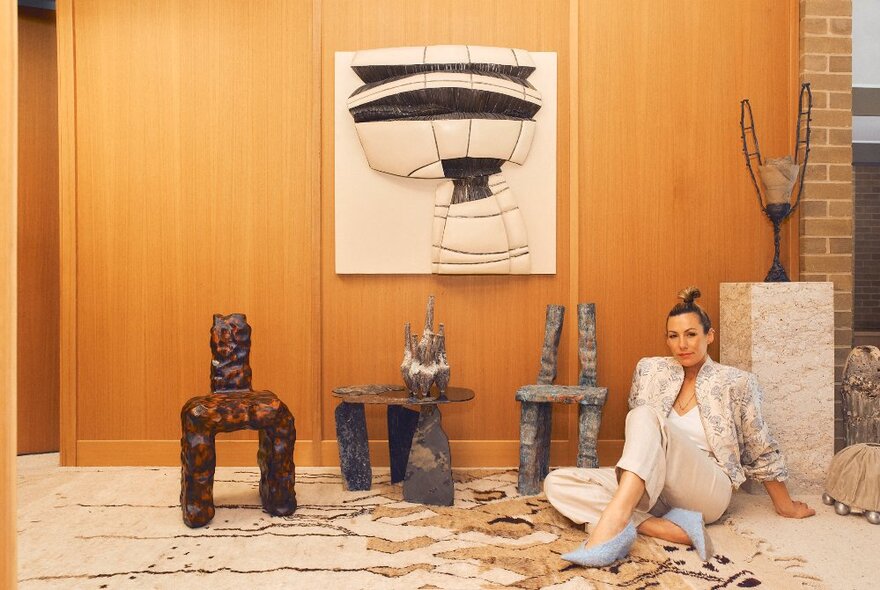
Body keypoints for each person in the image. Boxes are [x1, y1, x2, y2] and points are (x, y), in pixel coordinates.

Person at [543, 287, 815, 567]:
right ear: (667, 341)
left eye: (691, 334)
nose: (682, 344)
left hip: (709, 488)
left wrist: (785, 505)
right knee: (558, 483)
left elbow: (760, 446)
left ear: (709, 336)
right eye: (674, 336)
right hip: (657, 486)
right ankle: (662, 527)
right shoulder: (649, 371)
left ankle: (614, 523)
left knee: (644, 415)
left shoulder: (736, 382)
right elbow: (642, 443)